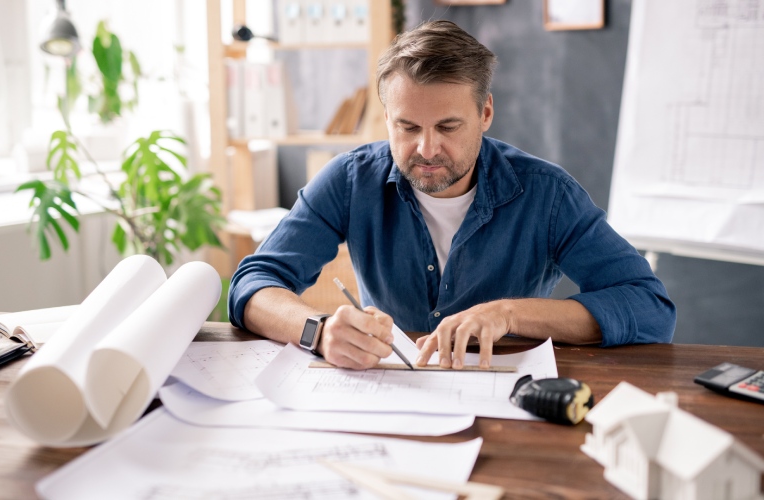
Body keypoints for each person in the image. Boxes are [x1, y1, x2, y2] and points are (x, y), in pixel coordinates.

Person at [228, 20, 676, 370]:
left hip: (503, 395)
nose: (426, 149)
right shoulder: (349, 180)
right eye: (407, 127)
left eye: (447, 127)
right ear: (387, 119)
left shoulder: (549, 195)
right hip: (387, 392)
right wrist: (319, 331)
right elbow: (252, 284)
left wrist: (510, 314)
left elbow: (650, 307)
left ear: (484, 113)